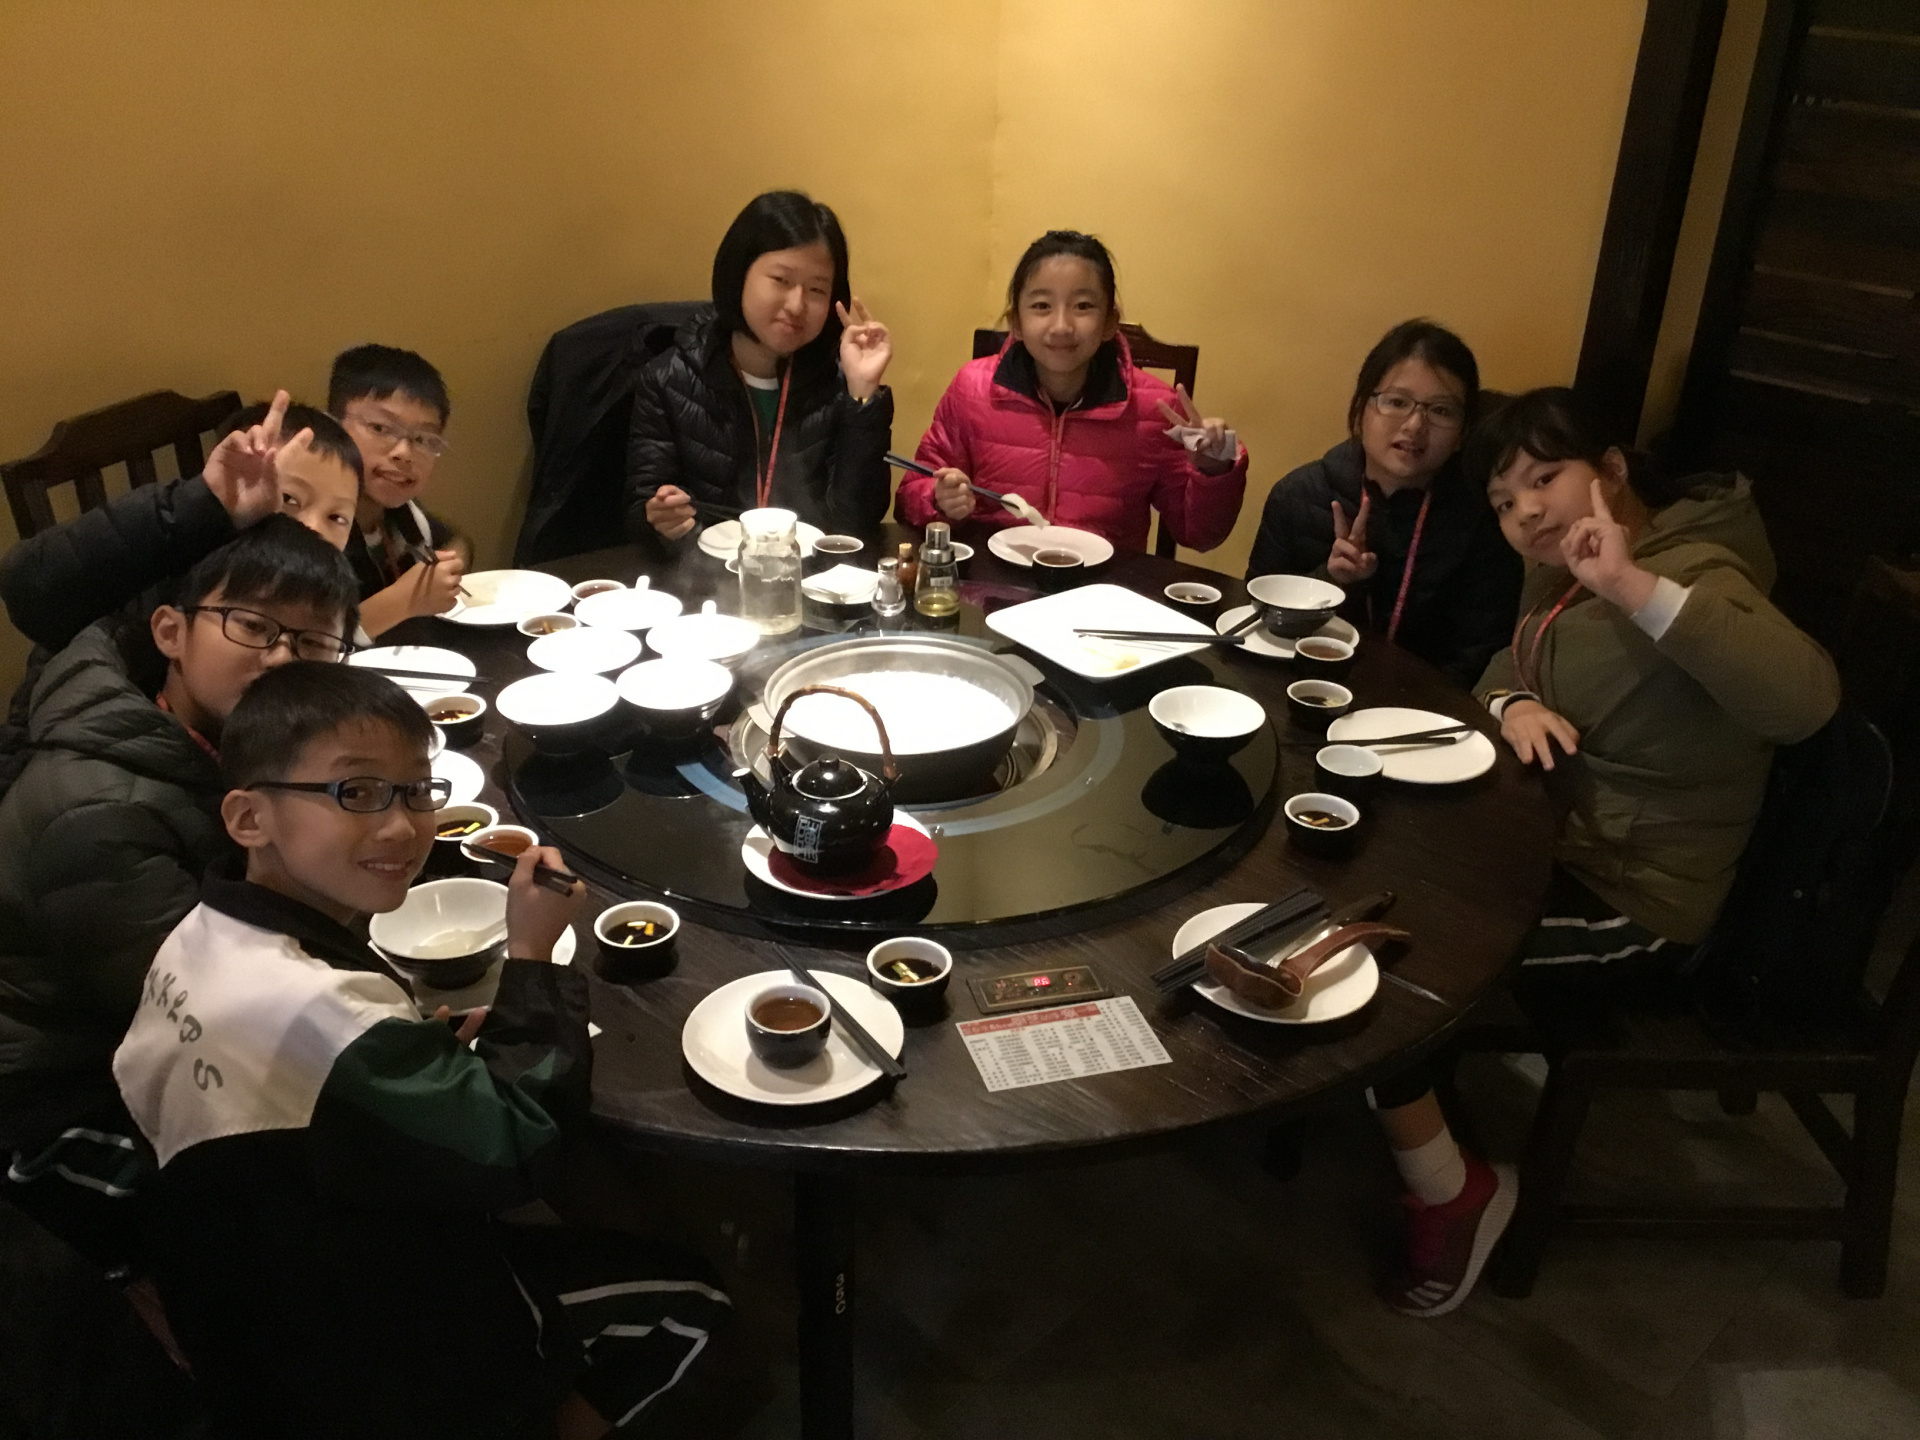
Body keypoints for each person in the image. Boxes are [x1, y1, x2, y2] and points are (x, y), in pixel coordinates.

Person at [115, 663, 728, 1438]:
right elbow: (522, 1148)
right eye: (357, 791)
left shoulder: (201, 932)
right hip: (376, 1357)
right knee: (693, 1304)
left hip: (249, 1314)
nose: (403, 827)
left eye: (415, 791)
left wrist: (405, 1058)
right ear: (248, 817)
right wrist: (532, 957)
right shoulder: (320, 1013)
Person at [1367, 386, 1841, 1318]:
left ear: (1613, 470)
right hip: (1558, 848)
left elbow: (1808, 703)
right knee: (1379, 878)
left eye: (1545, 478)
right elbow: (1506, 664)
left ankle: (1455, 1191)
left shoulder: (1689, 570)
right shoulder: (1563, 573)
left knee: (1395, 977)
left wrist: (1630, 587)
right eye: (1505, 500)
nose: (1526, 510)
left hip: (1639, 899)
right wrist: (1514, 704)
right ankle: (1403, 1106)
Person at [0, 518, 360, 1272]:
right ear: (170, 631)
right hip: (62, 1101)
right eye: (253, 625)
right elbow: (204, 1016)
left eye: (312, 642)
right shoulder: (97, 812)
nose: (281, 658)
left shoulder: (212, 742)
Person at [897, 230, 1248, 555]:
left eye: (1083, 306)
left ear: (1110, 322)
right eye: (1041, 306)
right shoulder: (971, 389)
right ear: (1016, 322)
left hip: (1106, 586)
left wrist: (1214, 469)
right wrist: (939, 500)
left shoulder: (1155, 408)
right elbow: (910, 496)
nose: (1062, 326)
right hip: (993, 580)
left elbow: (1199, 534)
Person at [1245, 320, 1519, 687]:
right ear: (1361, 410)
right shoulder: (1298, 495)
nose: (1415, 425)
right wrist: (1331, 581)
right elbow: (1257, 622)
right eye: (1396, 402)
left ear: (1462, 433)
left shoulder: (1482, 523)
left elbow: (1480, 659)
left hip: (1422, 709)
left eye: (1441, 410)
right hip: (1295, 691)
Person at [625, 190, 895, 547]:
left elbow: (855, 525)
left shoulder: (836, 383)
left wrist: (862, 396)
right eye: (781, 280)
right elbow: (640, 514)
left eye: (817, 290)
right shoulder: (669, 380)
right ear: (739, 273)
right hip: (704, 573)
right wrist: (661, 518)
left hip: (808, 574)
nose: (797, 305)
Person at [328, 343, 470, 638]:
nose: (404, 453)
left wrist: (446, 568)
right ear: (332, 428)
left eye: (423, 439)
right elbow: (307, 641)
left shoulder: (402, 514)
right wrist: (406, 600)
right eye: (380, 428)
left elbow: (456, 542)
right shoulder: (310, 525)